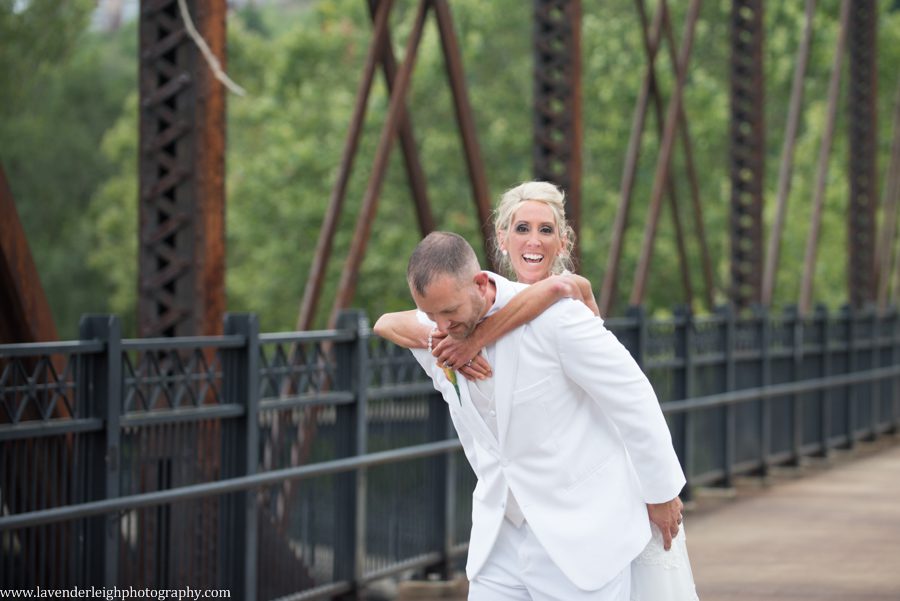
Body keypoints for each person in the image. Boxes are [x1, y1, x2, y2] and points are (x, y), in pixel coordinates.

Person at [375, 181, 699, 600]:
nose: (440, 327)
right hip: (500, 541)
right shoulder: (444, 330)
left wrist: (661, 493)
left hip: (581, 537)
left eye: (545, 230)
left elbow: (633, 397)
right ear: (502, 239)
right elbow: (388, 322)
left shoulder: (562, 319)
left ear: (477, 283)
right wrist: (450, 334)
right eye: (521, 228)